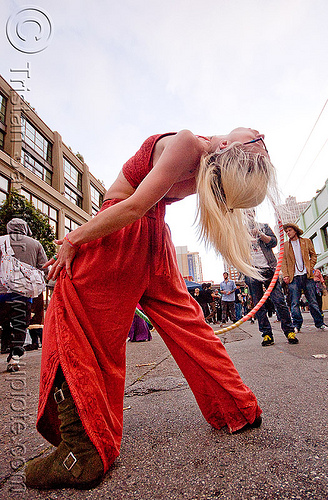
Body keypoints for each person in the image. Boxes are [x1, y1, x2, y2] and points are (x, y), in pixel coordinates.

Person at [25, 128, 275, 490]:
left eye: (257, 140)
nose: (259, 133)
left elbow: (133, 206)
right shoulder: (209, 168)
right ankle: (237, 407)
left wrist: (73, 239)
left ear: (227, 146)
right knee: (190, 329)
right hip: (155, 242)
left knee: (74, 322)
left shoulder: (192, 143)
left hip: (124, 233)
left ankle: (81, 451)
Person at [244, 210, 297, 347]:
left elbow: (273, 242)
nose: (247, 213)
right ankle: (267, 334)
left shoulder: (263, 226)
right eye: (244, 212)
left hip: (269, 268)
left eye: (249, 211)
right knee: (258, 304)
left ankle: (289, 331)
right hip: (252, 271)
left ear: (254, 213)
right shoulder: (238, 231)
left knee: (279, 301)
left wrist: (260, 234)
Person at [0, 218, 48, 371]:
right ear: (25, 228)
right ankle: (14, 359)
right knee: (20, 326)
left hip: (1, 293)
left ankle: (5, 346)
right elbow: (44, 268)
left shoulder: (1, 241)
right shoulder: (35, 244)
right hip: (22, 295)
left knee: (4, 325)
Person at [281, 223, 326, 333]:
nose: (288, 233)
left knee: (313, 301)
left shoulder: (306, 241)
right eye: (286, 231)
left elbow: (313, 255)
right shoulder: (285, 245)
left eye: (290, 230)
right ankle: (296, 325)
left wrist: (310, 267)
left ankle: (320, 323)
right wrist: (286, 274)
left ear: (295, 231)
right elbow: (283, 261)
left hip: (307, 276)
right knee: (294, 302)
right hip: (293, 277)